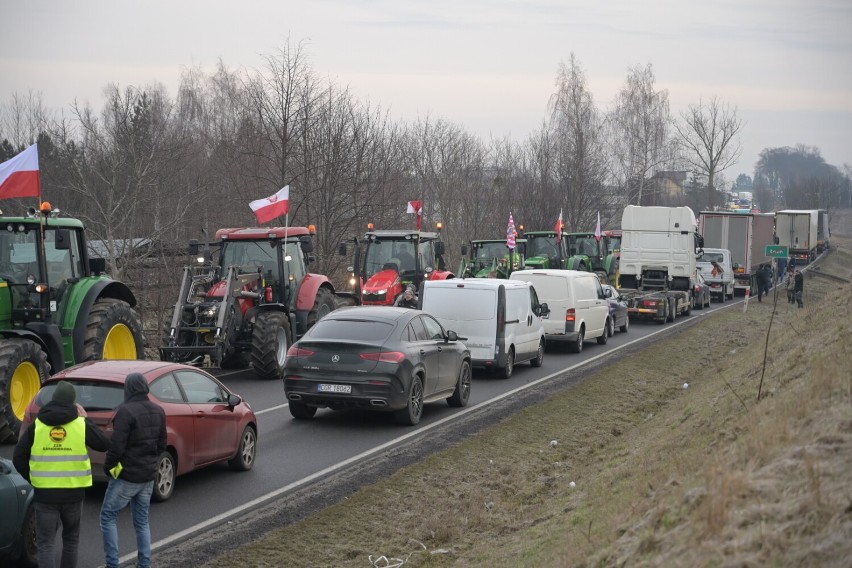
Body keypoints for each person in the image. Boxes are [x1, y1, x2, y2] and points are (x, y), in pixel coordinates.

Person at [13, 381, 109, 568]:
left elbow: (18, 457)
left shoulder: (38, 425)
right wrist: (86, 419)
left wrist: (34, 478)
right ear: (73, 403)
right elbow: (104, 444)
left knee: (46, 544)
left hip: (45, 495)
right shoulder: (81, 425)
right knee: (71, 541)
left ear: (54, 399)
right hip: (74, 494)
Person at [99, 373, 166, 568]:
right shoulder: (158, 410)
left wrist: (109, 468)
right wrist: (150, 460)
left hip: (127, 475)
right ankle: (145, 563)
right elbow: (162, 444)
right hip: (147, 475)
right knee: (142, 521)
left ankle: (112, 564)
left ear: (128, 389)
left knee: (108, 516)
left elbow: (117, 447)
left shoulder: (125, 412)